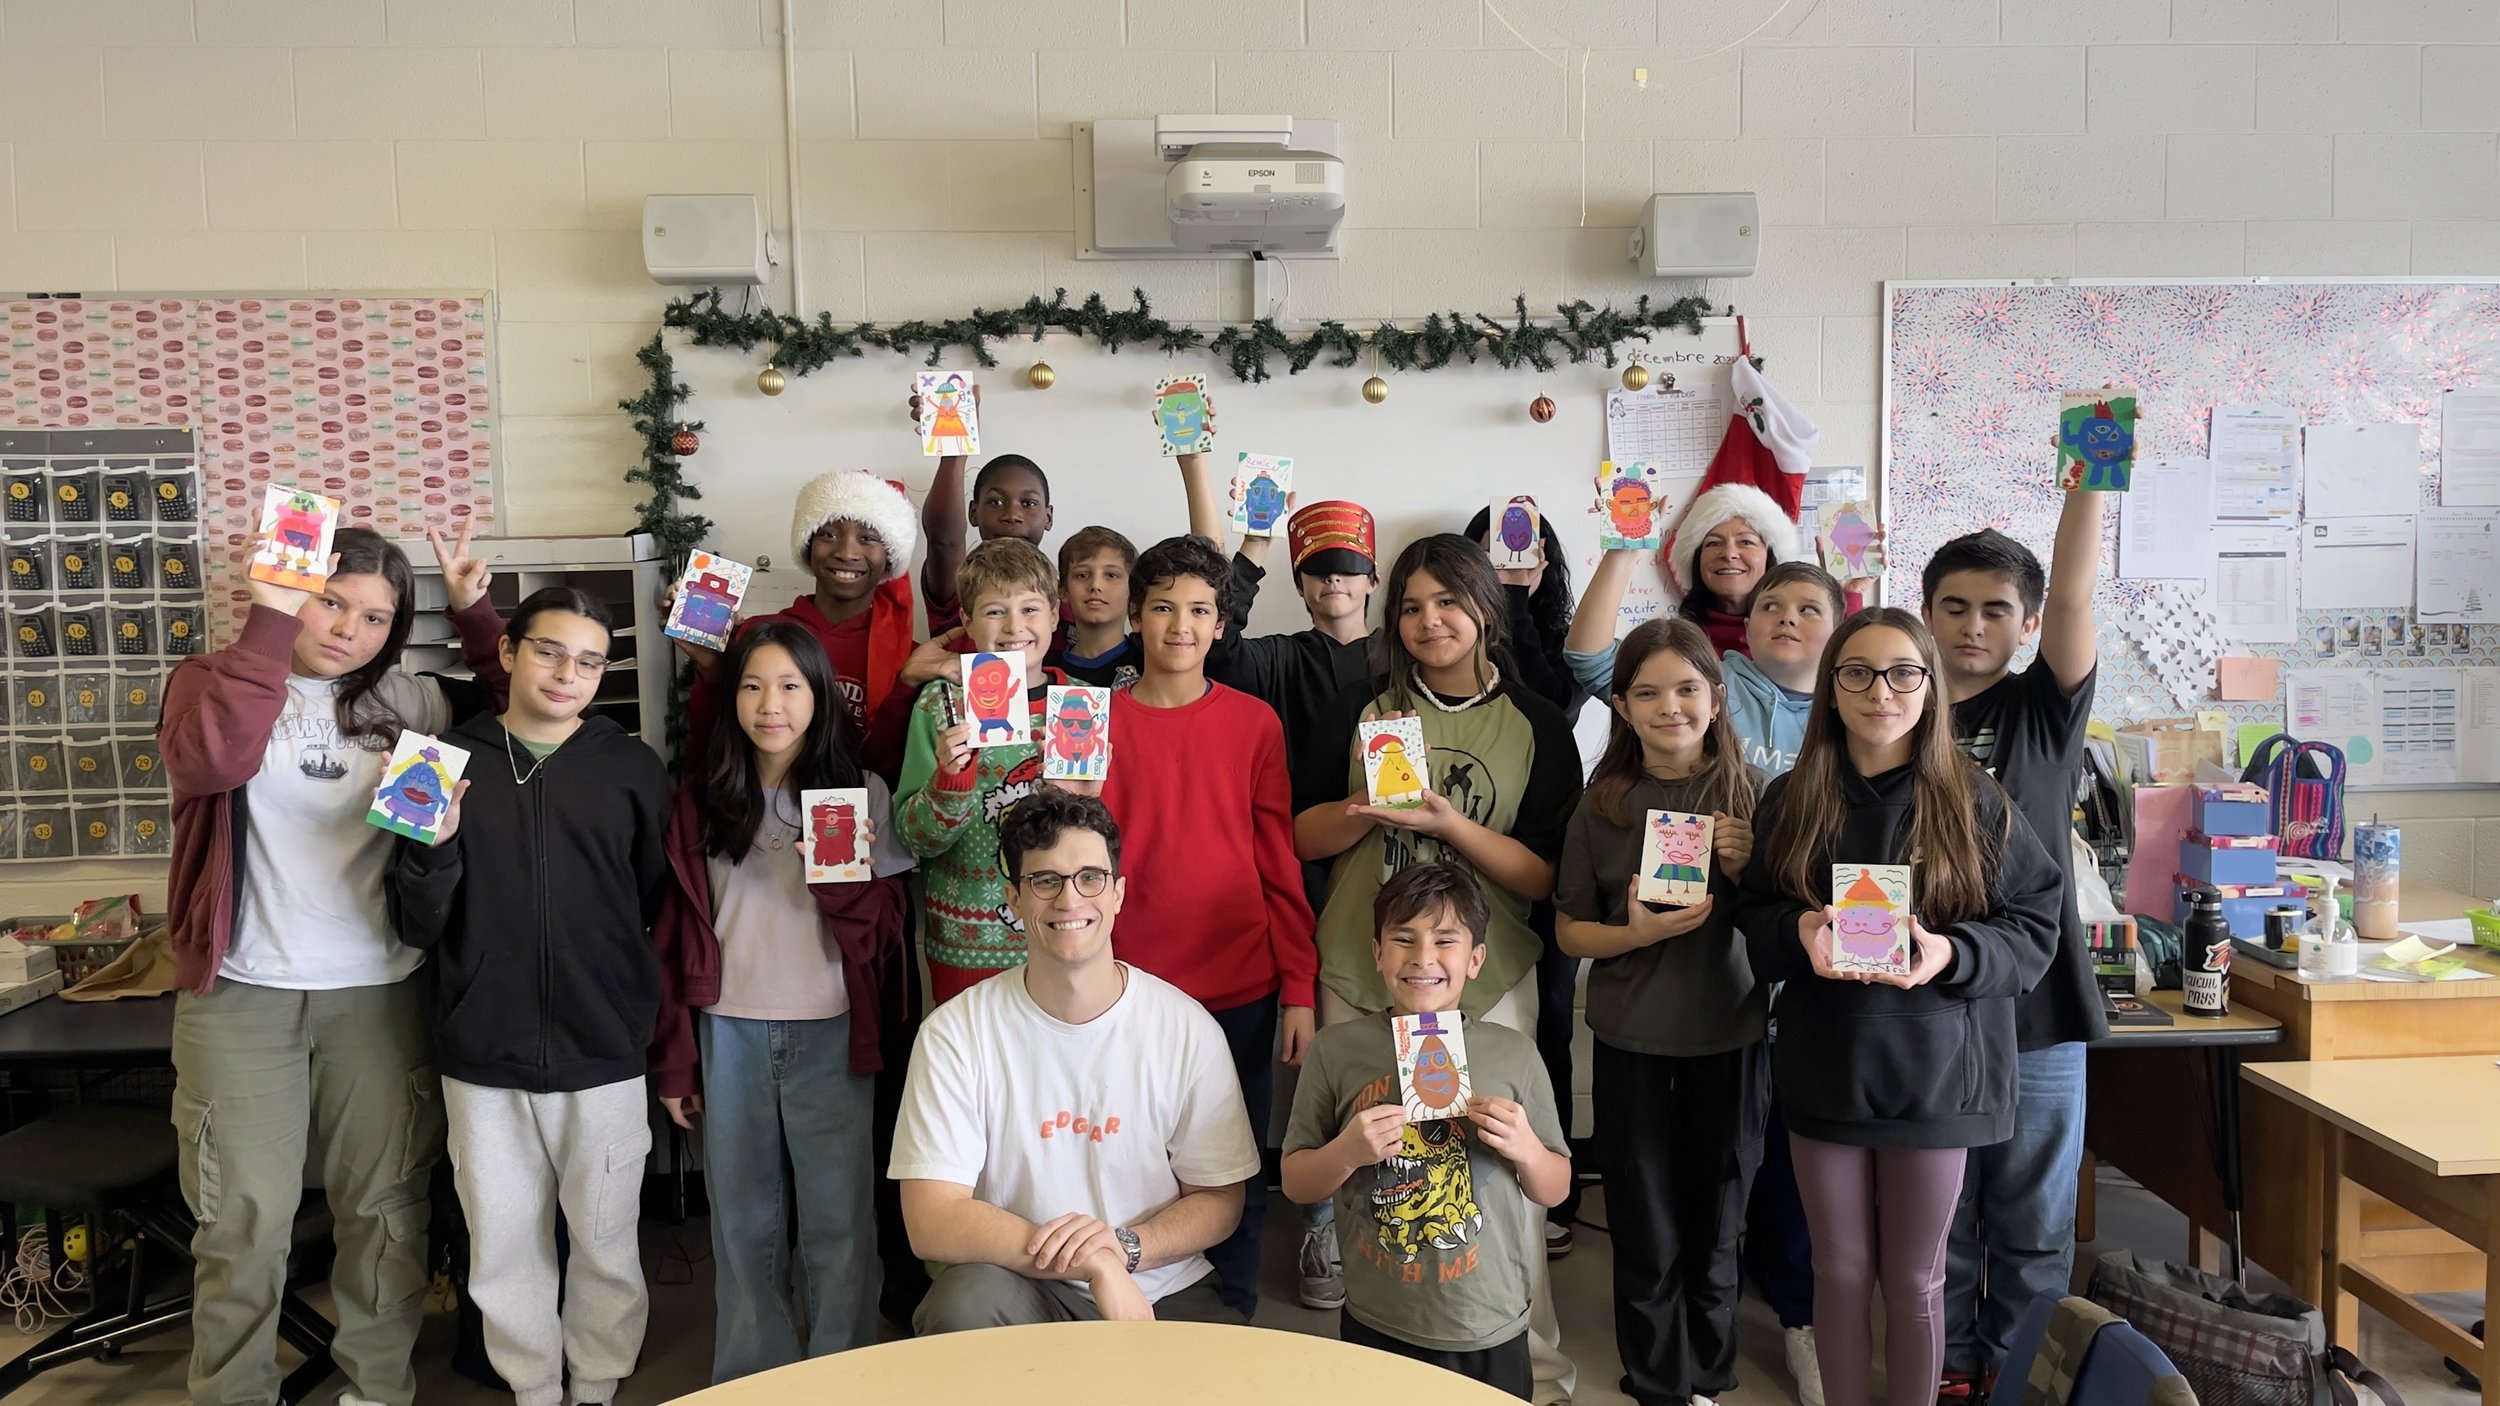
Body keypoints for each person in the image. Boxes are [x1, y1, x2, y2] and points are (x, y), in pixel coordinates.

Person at [160, 525, 501, 1406]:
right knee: (241, 1220)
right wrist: (269, 620)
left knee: (386, 1214)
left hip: (378, 992)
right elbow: (209, 761)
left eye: (376, 617)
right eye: (331, 601)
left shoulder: (411, 700)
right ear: (295, 594)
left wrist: (473, 612)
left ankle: (376, 1391)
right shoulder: (211, 680)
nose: (350, 629)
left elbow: (527, 703)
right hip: (241, 993)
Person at [1733, 608, 2062, 1406]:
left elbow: (2034, 924)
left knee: (1917, 1277)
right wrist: (1799, 929)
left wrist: (1951, 953)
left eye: (1902, 673)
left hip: (1939, 1075)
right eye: (1858, 673)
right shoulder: (1792, 798)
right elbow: (1755, 913)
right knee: (1840, 1270)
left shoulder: (1975, 800)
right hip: (1827, 1067)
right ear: (1831, 689)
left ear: (1929, 686)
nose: (1881, 691)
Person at [1293, 534, 1582, 1404]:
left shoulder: (1537, 721)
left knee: (1497, 1170)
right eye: (1412, 607)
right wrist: (1363, 808)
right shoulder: (1362, 704)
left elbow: (1545, 877)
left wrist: (1448, 824)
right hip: (1364, 968)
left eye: (1448, 601)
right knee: (1374, 1158)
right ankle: (1384, 1339)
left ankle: (1527, 1356)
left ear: (1485, 608)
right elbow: (1302, 835)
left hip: (1487, 979)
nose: (1430, 621)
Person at [391, 587, 673, 1406]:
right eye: (549, 651)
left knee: (607, 1236)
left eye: (589, 662)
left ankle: (598, 1380)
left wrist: (622, 996)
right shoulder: (431, 759)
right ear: (509, 652)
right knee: (501, 1240)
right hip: (482, 1049)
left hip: (603, 1046)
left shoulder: (634, 767)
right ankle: (533, 1386)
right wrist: (435, 847)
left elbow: (651, 899)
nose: (566, 674)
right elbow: (412, 922)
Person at [890, 789, 1259, 1331]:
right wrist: (1092, 1262)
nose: (1070, 900)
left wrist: (1123, 1249)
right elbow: (931, 1218)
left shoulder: (1186, 1028)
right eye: (1045, 881)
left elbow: (1221, 1198)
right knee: (962, 1304)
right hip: (1018, 1283)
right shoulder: (955, 1033)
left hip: (1156, 1281)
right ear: (1014, 899)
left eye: (1090, 878)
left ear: (1118, 893)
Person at [650, 623, 911, 1383]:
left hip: (833, 1030)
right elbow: (675, 939)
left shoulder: (860, 794)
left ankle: (840, 1373)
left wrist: (845, 886)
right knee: (742, 1220)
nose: (772, 705)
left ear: (819, 696)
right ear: (731, 698)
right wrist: (676, 1063)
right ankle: (753, 1374)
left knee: (839, 1218)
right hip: (727, 1030)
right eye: (753, 686)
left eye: (791, 686)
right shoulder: (702, 800)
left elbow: (884, 936)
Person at [1924, 488, 2114, 1401]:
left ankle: (2019, 1374)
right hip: (1930, 1006)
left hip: (2040, 1007)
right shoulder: (1898, 712)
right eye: (1955, 606)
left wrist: (2090, 478)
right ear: (1926, 614)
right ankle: (1953, 1366)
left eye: (1997, 610)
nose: (1973, 626)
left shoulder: (2044, 708)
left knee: (2035, 1218)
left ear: (2027, 623)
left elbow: (2074, 594)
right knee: (1946, 1216)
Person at [1179, 464, 1381, 1310]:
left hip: (1391, 873)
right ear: (1300, 583)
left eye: (1349, 568)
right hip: (1297, 873)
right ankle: (1319, 1221)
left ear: (1372, 577)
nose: (1335, 582)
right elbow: (1220, 644)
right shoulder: (1275, 658)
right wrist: (1253, 545)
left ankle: (1392, 1214)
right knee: (1309, 1061)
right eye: (1319, 569)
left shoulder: (1402, 652)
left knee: (1385, 1051)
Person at [1099, 532, 1317, 1316]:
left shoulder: (1255, 724)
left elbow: (1277, 861)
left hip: (1238, 984)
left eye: (1198, 610)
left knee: (1232, 1160)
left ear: (1222, 625)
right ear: (1135, 617)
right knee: (1128, 1156)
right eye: (1163, 608)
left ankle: (1234, 1306)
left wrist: (1299, 988)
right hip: (1124, 986)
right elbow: (1073, 856)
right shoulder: (1090, 722)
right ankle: (1128, 1302)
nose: (1181, 625)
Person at [1554, 618, 1769, 1406]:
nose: (1669, 706)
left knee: (1718, 1217)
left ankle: (1708, 1373)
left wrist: (1751, 870)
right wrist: (1632, 935)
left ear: (1717, 696)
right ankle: (1655, 1379)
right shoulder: (1602, 804)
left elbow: (1792, 920)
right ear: (1621, 706)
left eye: (1686, 688)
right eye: (1647, 692)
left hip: (1731, 1032)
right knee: (1643, 1216)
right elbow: (1570, 928)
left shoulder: (1754, 796)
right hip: (1632, 1037)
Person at [1282, 862, 1571, 1400]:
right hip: (1378, 1317)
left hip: (1487, 1320)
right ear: (1377, 953)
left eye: (1445, 940)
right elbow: (1297, 1182)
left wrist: (1527, 1149)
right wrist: (1347, 1152)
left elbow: (1555, 1187)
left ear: (1476, 959)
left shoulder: (1514, 1054)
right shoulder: (1335, 1050)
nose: (1422, 957)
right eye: (1403, 939)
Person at [1461, 502, 1587, 1261]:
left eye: (1525, 545)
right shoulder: (1445, 637)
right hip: (1462, 886)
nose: (1511, 557)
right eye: (1495, 548)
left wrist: (1517, 600)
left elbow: (1552, 702)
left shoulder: (1563, 639)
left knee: (1549, 1028)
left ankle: (1551, 1185)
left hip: (1545, 858)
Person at [894, 537, 1068, 1002]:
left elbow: (1112, 837)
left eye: (1030, 609)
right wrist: (950, 783)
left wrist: (1083, 798)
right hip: (965, 945)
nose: (1014, 626)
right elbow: (915, 839)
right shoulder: (940, 704)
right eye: (995, 611)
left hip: (1066, 937)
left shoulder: (1083, 705)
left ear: (1054, 615)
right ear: (967, 620)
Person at [682, 469, 926, 782]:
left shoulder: (908, 657)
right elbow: (714, 747)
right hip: (760, 801)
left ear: (890, 556)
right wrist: (712, 670)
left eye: (867, 539)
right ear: (807, 547)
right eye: (829, 535)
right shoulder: (759, 636)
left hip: (868, 805)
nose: (846, 552)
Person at [1047, 524, 1141, 687]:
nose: (1095, 585)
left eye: (1111, 575)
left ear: (1133, 588)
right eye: (1082, 575)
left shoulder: (1151, 661)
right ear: (1063, 590)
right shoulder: (1045, 671)